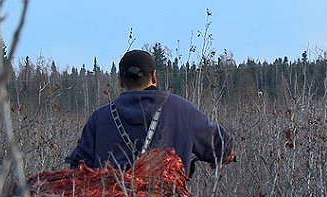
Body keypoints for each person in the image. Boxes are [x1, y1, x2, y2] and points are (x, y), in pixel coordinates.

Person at [65, 49, 234, 175]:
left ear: (120, 80)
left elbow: (78, 166)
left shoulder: (99, 118)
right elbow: (221, 144)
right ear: (154, 77)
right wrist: (224, 155)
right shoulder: (181, 110)